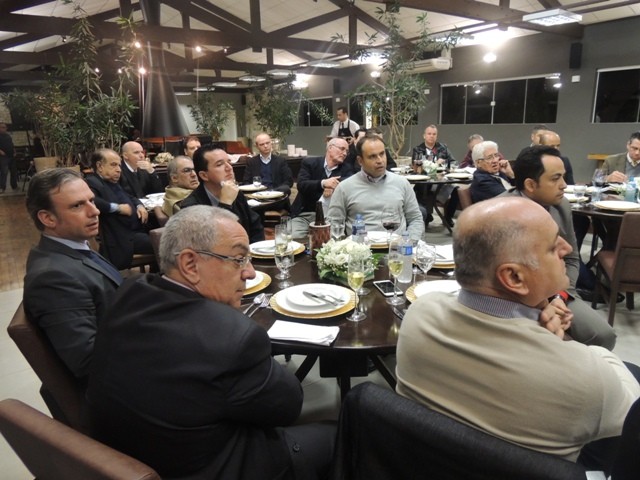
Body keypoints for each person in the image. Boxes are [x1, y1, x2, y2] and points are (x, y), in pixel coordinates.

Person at [87, 205, 336, 480]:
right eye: (239, 259)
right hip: (217, 467)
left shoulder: (129, 292)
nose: (250, 272)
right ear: (190, 264)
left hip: (129, 456)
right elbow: (288, 407)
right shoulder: (230, 337)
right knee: (337, 432)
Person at [396, 196, 640, 474]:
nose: (568, 248)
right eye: (553, 246)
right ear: (513, 277)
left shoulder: (418, 315)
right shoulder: (585, 376)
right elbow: (631, 410)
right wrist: (563, 340)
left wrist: (538, 306)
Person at [505, 145, 616, 350]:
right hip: (516, 296)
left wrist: (559, 296)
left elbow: (572, 258)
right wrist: (544, 303)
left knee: (603, 335)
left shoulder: (561, 205)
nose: (564, 185)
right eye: (556, 179)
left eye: (563, 177)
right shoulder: (501, 214)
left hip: (558, 288)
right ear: (530, 184)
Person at [23, 169, 122, 380]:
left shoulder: (74, 247)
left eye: (92, 201)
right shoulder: (51, 278)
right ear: (48, 218)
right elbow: (89, 361)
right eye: (77, 206)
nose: (95, 211)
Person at [327, 133, 424, 240]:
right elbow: (334, 224)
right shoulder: (345, 188)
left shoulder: (402, 183)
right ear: (360, 161)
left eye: (382, 154)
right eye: (372, 156)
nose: (380, 160)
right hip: (359, 247)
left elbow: (415, 219)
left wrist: (410, 243)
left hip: (396, 247)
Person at [85, 148, 154, 270]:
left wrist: (139, 206)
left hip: (138, 229)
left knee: (165, 233)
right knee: (163, 243)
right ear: (99, 166)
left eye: (119, 165)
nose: (119, 170)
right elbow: (92, 201)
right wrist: (117, 208)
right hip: (123, 238)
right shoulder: (92, 182)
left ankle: (157, 271)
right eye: (113, 165)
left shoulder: (114, 181)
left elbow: (130, 196)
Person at [180, 144, 264, 243]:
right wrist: (225, 204)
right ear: (204, 175)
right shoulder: (191, 206)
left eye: (229, 162)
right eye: (219, 164)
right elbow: (210, 241)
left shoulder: (236, 194)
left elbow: (256, 227)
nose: (229, 168)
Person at [291, 137, 352, 238]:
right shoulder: (310, 163)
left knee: (333, 240)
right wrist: (323, 183)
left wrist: (332, 186)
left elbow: (350, 182)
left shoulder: (346, 168)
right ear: (330, 148)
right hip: (306, 214)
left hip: (330, 217)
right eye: (342, 149)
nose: (345, 153)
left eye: (347, 151)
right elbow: (302, 184)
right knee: (293, 238)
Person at [411, 125, 457, 226]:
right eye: (429, 134)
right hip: (424, 180)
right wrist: (433, 164)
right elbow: (415, 165)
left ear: (436, 136)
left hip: (440, 179)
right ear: (424, 136)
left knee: (455, 190)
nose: (431, 136)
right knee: (423, 188)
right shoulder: (418, 149)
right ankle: (426, 215)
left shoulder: (443, 148)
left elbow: (453, 162)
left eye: (434, 134)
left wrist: (445, 163)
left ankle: (448, 217)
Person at [0, 122, 16, 193]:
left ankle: (14, 186)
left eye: (4, 127)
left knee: (14, 171)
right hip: (4, 156)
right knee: (4, 172)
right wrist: (0, 151)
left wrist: (14, 151)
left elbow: (11, 144)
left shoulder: (8, 136)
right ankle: (2, 187)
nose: (2, 129)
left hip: (11, 155)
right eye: (1, 127)